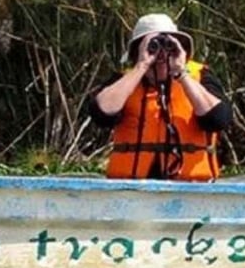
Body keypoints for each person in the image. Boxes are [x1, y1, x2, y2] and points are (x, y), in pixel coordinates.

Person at [85, 13, 232, 181]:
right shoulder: (124, 82)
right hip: (133, 191)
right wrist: (142, 66)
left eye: (169, 46)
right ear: (136, 51)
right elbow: (101, 114)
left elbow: (219, 119)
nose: (161, 55)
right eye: (153, 46)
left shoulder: (200, 78)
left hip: (192, 189)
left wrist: (181, 74)